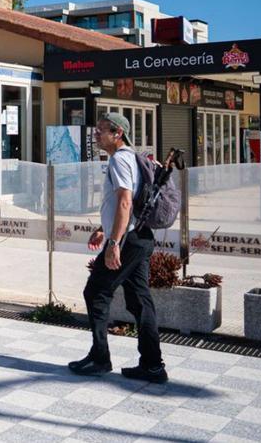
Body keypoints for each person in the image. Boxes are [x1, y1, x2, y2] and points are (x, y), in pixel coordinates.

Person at [69, 112, 167, 383]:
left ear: (118, 134)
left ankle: (100, 358)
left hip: (129, 240)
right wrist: (105, 228)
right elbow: (128, 205)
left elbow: (125, 202)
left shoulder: (120, 161)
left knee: (96, 292)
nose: (96, 134)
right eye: (96, 129)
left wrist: (114, 243)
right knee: (140, 301)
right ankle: (152, 365)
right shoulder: (132, 159)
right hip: (140, 237)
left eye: (101, 130)